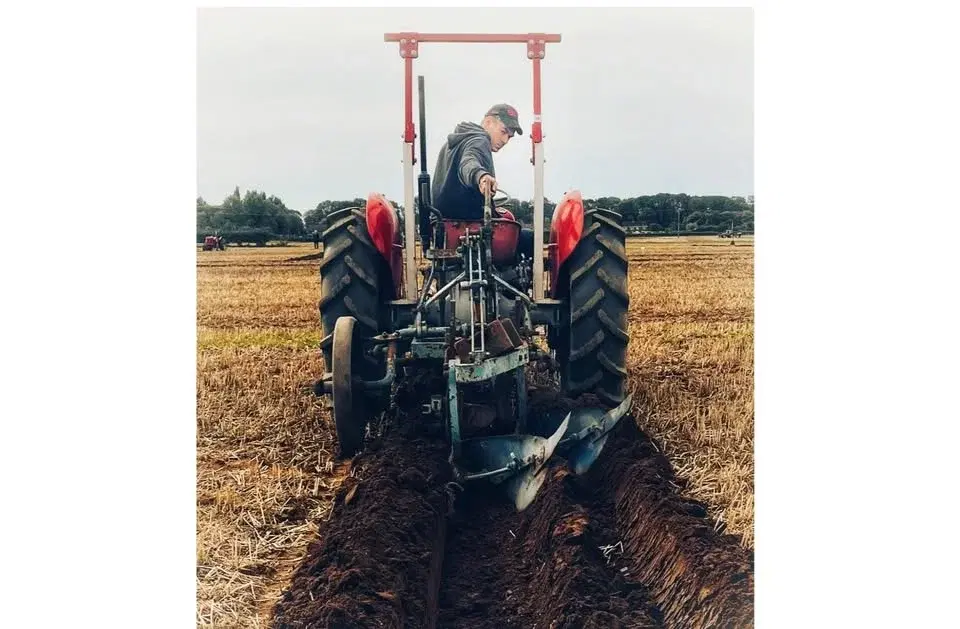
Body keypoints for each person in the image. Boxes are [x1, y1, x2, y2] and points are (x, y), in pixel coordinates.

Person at [429, 103, 535, 261]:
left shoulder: (452, 143)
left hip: (443, 230)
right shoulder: (479, 140)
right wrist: (481, 176)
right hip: (472, 227)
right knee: (531, 240)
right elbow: (469, 161)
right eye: (504, 132)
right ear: (488, 122)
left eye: (510, 137)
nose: (505, 140)